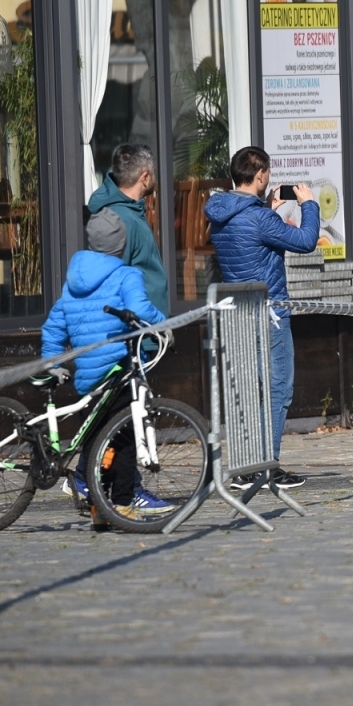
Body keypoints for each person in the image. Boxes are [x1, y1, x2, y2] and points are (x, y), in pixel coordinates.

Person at [40, 210, 174, 523]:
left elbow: (54, 325)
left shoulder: (73, 279)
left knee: (100, 441)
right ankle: (124, 504)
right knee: (125, 439)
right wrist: (165, 324)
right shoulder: (126, 274)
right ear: (121, 243)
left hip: (88, 376)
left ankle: (100, 507)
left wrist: (52, 360)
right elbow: (139, 308)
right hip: (117, 368)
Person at [205, 147, 321, 489]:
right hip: (270, 313)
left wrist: (266, 211)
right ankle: (265, 467)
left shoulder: (222, 213)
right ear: (260, 176)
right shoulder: (259, 218)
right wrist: (308, 204)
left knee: (251, 390)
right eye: (267, 174)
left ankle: (248, 466)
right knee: (279, 389)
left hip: (240, 312)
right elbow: (306, 241)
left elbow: (249, 246)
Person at [87, 144, 169, 314]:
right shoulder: (121, 219)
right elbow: (113, 284)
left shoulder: (129, 212)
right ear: (145, 177)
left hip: (148, 325)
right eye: (154, 172)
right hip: (140, 331)